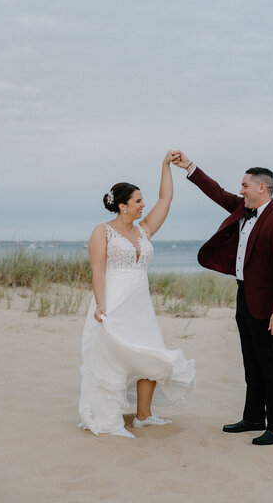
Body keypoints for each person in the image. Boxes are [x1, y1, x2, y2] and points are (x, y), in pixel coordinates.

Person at [173, 151, 273, 446]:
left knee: (271, 365)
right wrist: (189, 167)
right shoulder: (243, 209)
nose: (240, 190)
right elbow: (215, 191)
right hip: (244, 295)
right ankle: (254, 417)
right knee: (251, 363)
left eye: (245, 185)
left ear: (261, 188)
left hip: (267, 305)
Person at [78, 150, 196, 438]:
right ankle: (107, 418)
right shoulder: (102, 232)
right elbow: (98, 271)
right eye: (138, 201)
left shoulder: (144, 230)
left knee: (150, 356)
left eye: (143, 200)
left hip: (140, 305)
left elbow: (165, 200)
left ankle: (143, 416)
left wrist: (166, 165)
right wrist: (101, 305)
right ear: (122, 206)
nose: (144, 205)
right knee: (112, 358)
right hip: (114, 303)